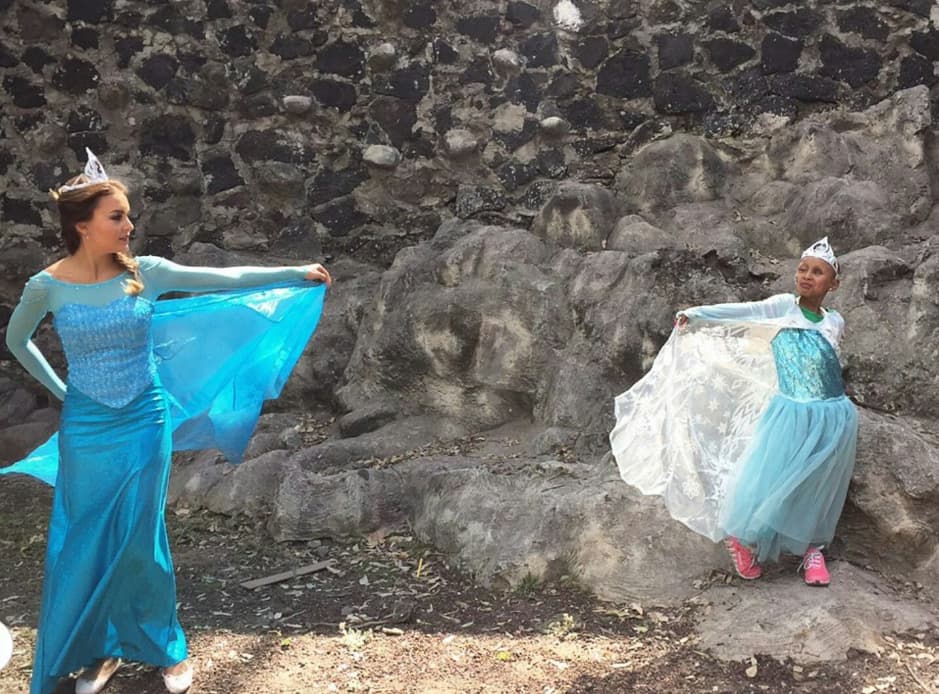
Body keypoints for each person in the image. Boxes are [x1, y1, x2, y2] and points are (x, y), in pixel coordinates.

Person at [2, 149, 331, 694]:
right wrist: (62, 391)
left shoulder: (145, 274)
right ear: (82, 225)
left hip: (143, 419)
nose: (130, 226)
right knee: (84, 538)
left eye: (128, 216)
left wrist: (293, 271)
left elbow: (222, 279)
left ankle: (164, 645)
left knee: (138, 534)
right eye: (117, 217)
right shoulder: (47, 285)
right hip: (85, 428)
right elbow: (17, 341)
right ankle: (99, 651)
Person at [609, 237, 858, 587]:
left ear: (833, 283)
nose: (807, 276)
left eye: (817, 272)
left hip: (833, 414)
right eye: (802, 269)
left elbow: (828, 362)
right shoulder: (784, 307)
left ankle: (812, 550)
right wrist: (698, 315)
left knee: (820, 483)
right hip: (792, 413)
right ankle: (743, 537)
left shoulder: (835, 322)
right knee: (775, 478)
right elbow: (743, 312)